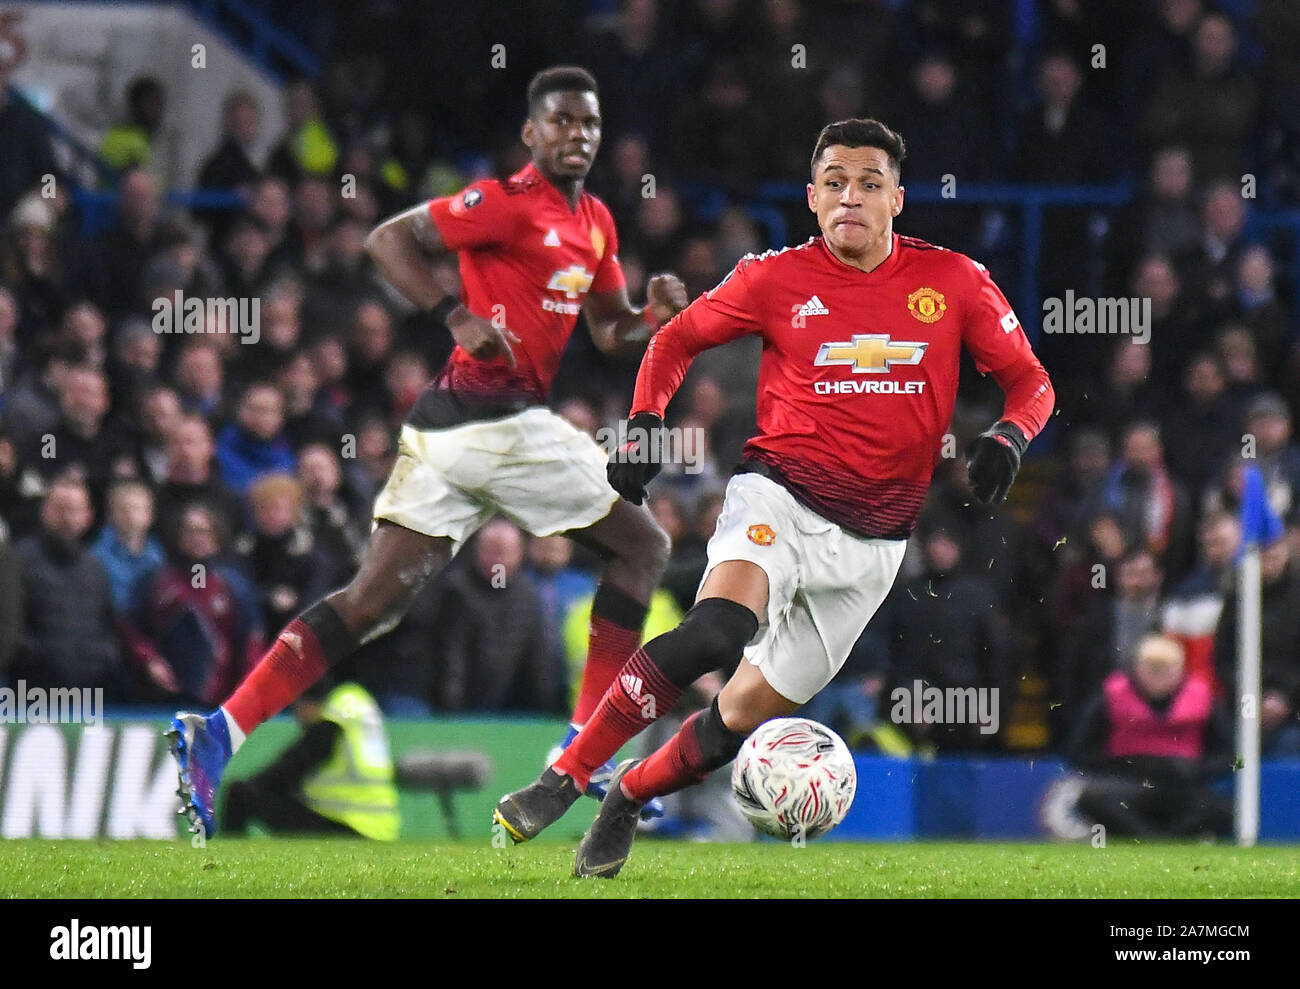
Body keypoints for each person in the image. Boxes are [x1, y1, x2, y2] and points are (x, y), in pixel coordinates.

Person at [495, 117, 1055, 877]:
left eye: (867, 183)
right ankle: (564, 775)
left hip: (874, 548)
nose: (849, 197)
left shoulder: (954, 281)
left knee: (736, 716)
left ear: (897, 198)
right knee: (715, 630)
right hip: (779, 498)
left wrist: (1011, 437)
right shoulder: (774, 277)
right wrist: (644, 423)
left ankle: (627, 794)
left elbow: (1031, 381)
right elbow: (672, 340)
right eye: (833, 183)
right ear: (811, 197)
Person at [166, 66, 688, 838]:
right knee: (644, 545)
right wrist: (453, 313)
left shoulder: (598, 223)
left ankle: (220, 732)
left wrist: (652, 315)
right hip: (491, 418)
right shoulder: (503, 203)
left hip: (450, 434)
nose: (576, 135)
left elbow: (611, 332)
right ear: (531, 132)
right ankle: (586, 746)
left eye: (589, 124)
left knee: (369, 603)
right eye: (562, 122)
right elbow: (389, 238)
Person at [1067, 633, 1232, 838]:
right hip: (1128, 782)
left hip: (1182, 786)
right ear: (1137, 668)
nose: (1158, 677)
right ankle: (1146, 838)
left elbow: (1226, 754)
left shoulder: (1204, 699)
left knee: (1223, 810)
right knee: (1093, 799)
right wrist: (1123, 765)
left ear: (1180, 670)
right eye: (1152, 668)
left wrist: (1195, 770)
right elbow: (1080, 749)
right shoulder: (1111, 696)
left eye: (1166, 669)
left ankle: (1169, 841)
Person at [223, 680, 399, 841]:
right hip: (381, 829)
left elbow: (288, 768)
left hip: (346, 828)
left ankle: (227, 862)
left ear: (304, 703)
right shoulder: (357, 702)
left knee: (240, 794)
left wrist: (250, 787)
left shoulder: (330, 723)